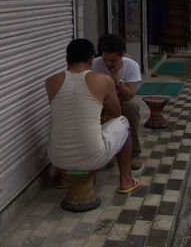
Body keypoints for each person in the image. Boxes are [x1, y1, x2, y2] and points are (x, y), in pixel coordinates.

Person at [46, 39, 140, 194]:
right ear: (92, 59)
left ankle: (61, 178)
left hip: (56, 158)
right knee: (123, 121)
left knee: (64, 120)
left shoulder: (50, 82)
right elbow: (116, 114)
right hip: (92, 158)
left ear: (67, 59)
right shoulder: (103, 79)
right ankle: (126, 181)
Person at [92, 33, 143, 171]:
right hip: (101, 102)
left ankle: (135, 153)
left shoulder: (131, 65)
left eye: (113, 60)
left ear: (122, 55)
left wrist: (116, 78)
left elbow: (129, 96)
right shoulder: (95, 64)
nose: (108, 64)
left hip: (122, 101)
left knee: (131, 108)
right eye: (106, 59)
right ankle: (104, 152)